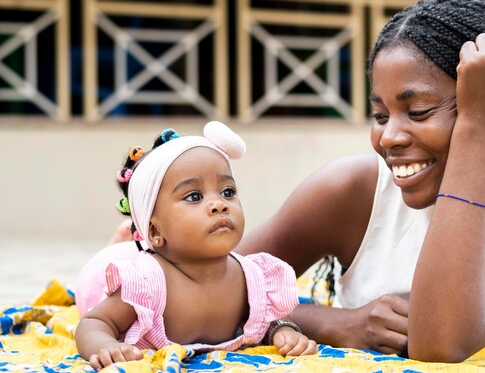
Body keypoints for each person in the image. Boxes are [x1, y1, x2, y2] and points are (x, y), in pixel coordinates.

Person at [235, 0, 485, 372]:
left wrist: (479, 124)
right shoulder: (350, 190)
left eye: (417, 111)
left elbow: (440, 341)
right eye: (381, 116)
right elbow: (204, 286)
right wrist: (336, 323)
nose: (390, 137)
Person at [75, 122, 317, 372]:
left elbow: (264, 318)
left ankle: (130, 238)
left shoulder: (251, 276)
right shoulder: (144, 283)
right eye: (194, 197)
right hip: (98, 283)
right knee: (95, 281)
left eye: (227, 191)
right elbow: (94, 321)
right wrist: (105, 345)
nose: (219, 204)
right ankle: (122, 242)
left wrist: (283, 331)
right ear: (156, 231)